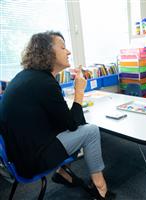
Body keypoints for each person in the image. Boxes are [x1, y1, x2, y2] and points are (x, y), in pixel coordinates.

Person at [0, 31, 115, 200]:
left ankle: (62, 173)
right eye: (63, 47)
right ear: (47, 53)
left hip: (18, 155)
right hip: (31, 160)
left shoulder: (28, 77)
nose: (68, 52)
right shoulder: (45, 83)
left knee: (74, 128)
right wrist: (79, 91)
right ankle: (100, 187)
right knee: (90, 131)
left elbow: (61, 122)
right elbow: (73, 125)